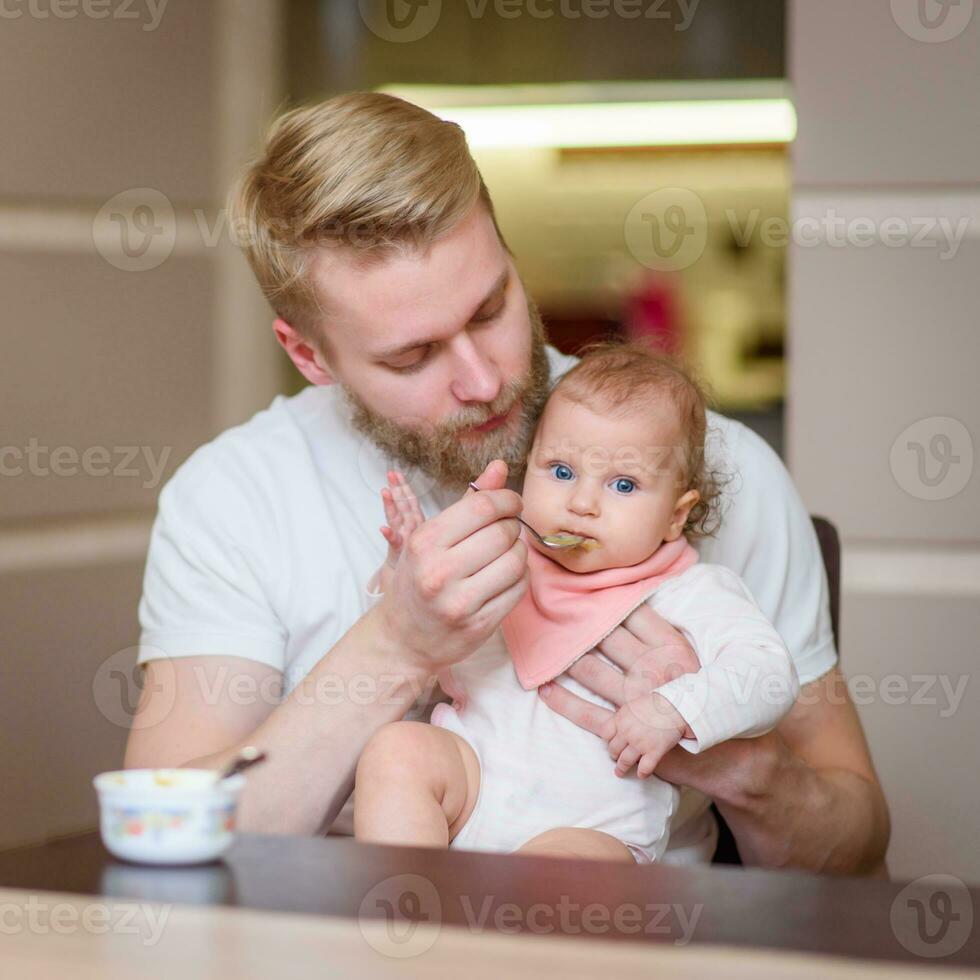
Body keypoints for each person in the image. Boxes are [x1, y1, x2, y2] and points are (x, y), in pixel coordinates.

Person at [124, 91, 890, 874]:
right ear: (310, 355)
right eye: (412, 356)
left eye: (491, 308)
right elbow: (168, 837)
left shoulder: (710, 470)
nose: (484, 379)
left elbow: (858, 848)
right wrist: (398, 644)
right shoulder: (231, 498)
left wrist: (730, 757)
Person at [353, 342, 801, 864]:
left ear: (676, 516)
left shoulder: (690, 590)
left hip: (592, 825)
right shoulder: (500, 560)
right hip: (471, 778)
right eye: (561, 472)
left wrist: (675, 710)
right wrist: (405, 579)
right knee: (396, 751)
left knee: (558, 874)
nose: (582, 504)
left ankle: (497, 938)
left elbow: (769, 673)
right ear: (529, 469)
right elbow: (421, 657)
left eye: (624, 484)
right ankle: (409, 913)